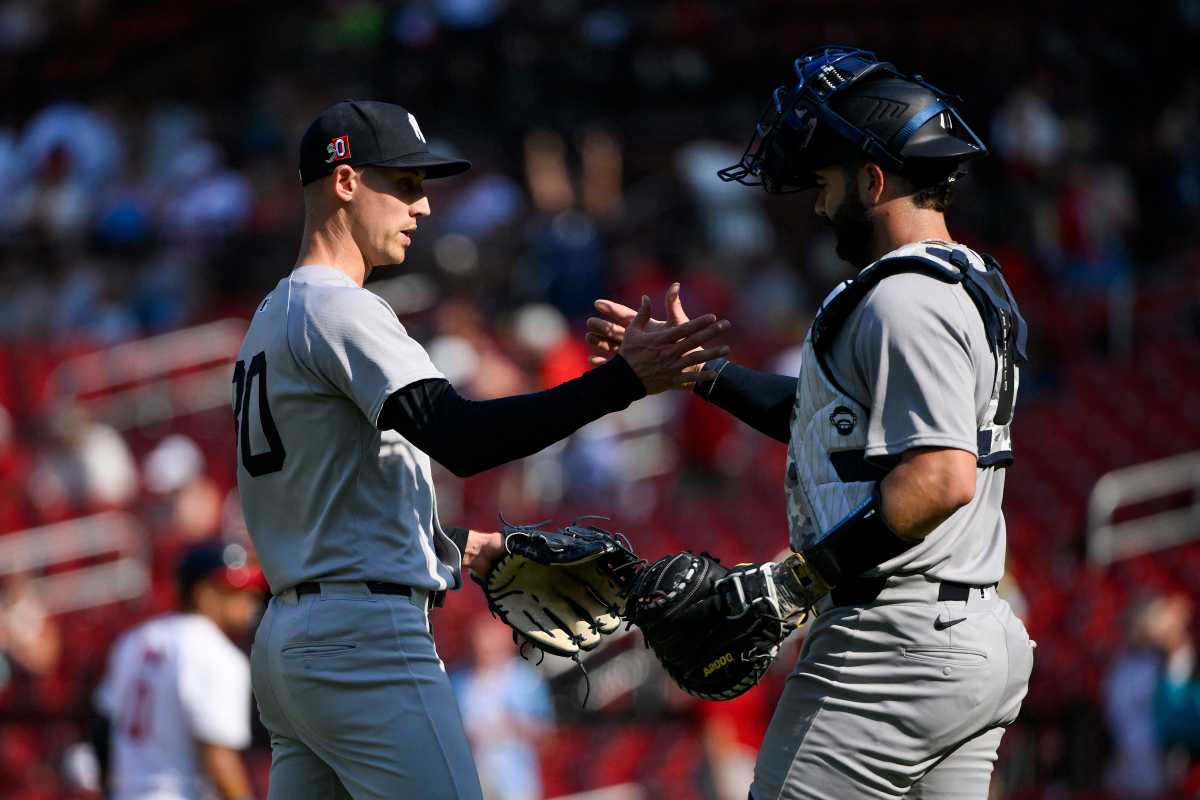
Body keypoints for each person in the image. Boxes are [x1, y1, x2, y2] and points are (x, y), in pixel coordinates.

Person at [235, 100, 728, 800]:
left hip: (294, 641)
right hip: (361, 642)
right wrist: (623, 382)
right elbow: (459, 438)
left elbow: (323, 497)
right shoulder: (338, 306)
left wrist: (449, 542)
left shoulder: (269, 319)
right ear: (344, 182)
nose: (423, 206)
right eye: (403, 184)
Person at [587, 47, 1035, 799]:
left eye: (827, 181)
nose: (820, 204)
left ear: (873, 179)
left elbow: (941, 475)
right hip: (968, 635)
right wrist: (703, 374)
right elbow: (830, 425)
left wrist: (799, 579)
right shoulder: (968, 283)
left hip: (890, 648)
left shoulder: (903, 298)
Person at [92, 541, 266, 800]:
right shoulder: (218, 654)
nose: (249, 602)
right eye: (236, 591)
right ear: (204, 593)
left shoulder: (136, 639)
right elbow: (220, 759)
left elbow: (102, 727)